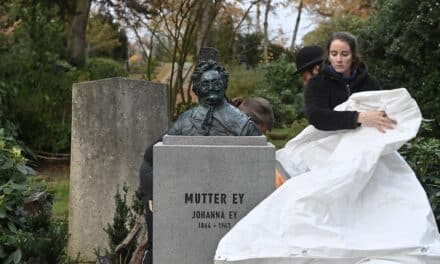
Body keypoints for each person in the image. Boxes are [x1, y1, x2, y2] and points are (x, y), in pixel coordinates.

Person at [304, 32, 397, 132]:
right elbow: (316, 116)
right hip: (330, 143)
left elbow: (380, 111)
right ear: (329, 56)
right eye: (334, 54)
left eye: (344, 54)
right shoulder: (317, 83)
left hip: (365, 141)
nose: (338, 59)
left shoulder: (370, 82)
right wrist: (358, 117)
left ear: (353, 56)